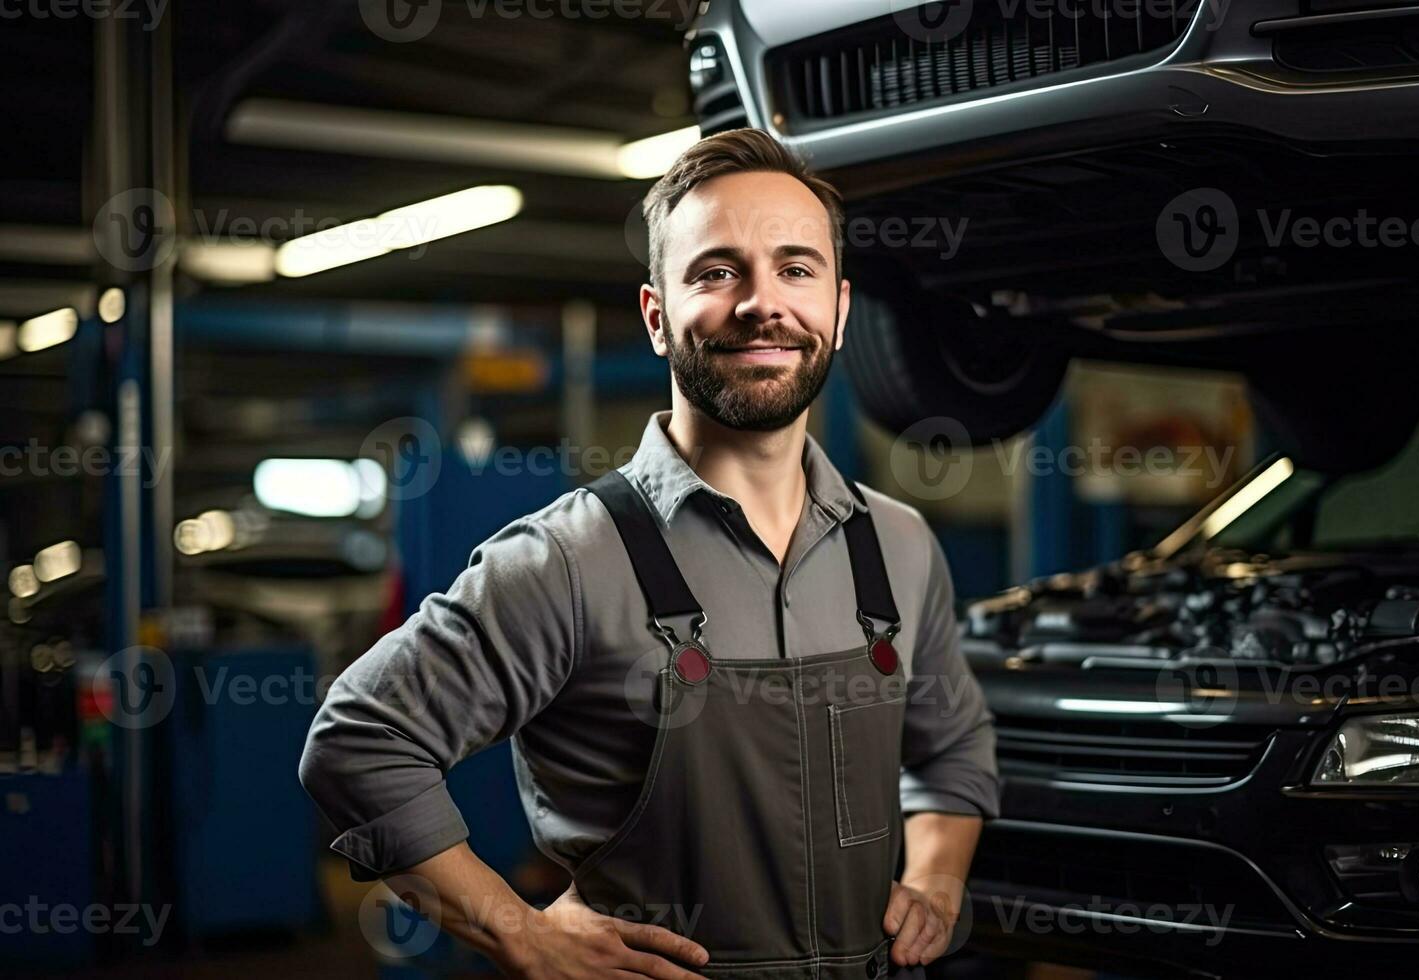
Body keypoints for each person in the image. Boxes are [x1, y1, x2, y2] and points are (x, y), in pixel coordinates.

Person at [299, 127, 1001, 979]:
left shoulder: (898, 544)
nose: (761, 303)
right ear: (657, 316)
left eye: (796, 269)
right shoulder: (566, 560)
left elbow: (953, 745)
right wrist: (517, 933)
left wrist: (934, 877)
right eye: (716, 272)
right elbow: (359, 739)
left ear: (840, 311)